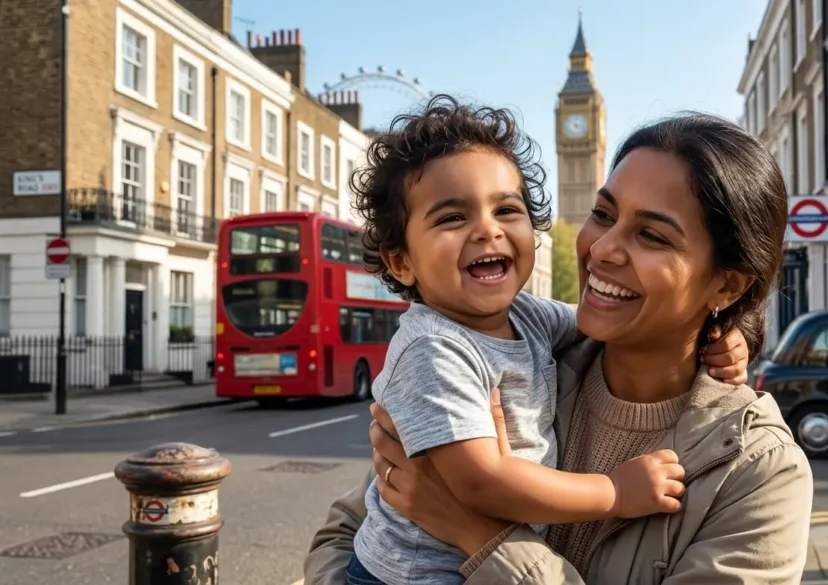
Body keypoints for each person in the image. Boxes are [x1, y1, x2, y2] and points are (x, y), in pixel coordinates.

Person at [301, 112, 785, 585]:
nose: (601, 249)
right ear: (402, 261)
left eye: (652, 235)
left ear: (727, 286)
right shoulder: (436, 351)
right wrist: (613, 492)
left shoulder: (756, 469)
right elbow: (349, 528)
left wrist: (479, 536)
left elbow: (582, 316)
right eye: (602, 215)